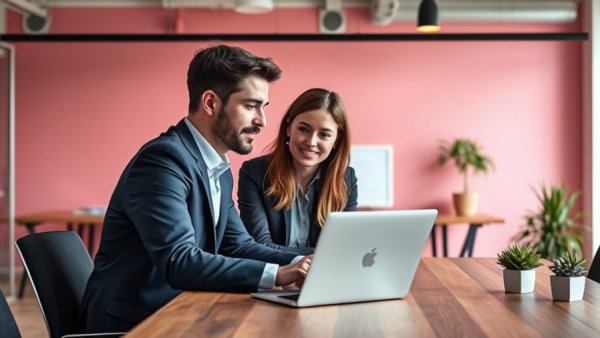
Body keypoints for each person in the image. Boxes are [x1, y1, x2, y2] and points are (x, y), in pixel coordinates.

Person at [81, 44, 311, 333]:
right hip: (135, 322)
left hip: (181, 310)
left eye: (263, 108)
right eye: (251, 106)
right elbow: (180, 260)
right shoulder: (163, 161)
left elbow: (238, 245)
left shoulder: (218, 168)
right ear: (211, 103)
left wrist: (308, 260)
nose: (262, 121)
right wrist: (277, 274)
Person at [237, 88, 358, 255]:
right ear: (288, 128)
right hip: (275, 278)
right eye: (304, 129)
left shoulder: (346, 179)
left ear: (336, 140)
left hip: (326, 276)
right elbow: (259, 246)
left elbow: (345, 248)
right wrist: (321, 255)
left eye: (324, 134)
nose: (311, 142)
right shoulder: (254, 173)